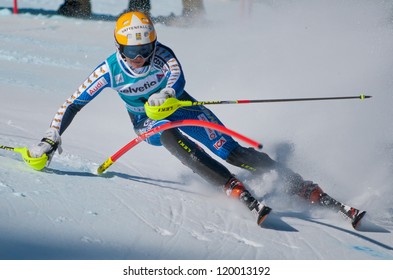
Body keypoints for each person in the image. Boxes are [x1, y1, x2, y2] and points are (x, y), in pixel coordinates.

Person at [29, 11, 365, 227]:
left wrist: (168, 95)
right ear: (120, 49)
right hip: (148, 122)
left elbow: (177, 78)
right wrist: (50, 138)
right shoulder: (108, 72)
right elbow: (73, 103)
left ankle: (302, 186)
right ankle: (229, 185)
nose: (140, 58)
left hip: (182, 106)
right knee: (170, 137)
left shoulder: (163, 55)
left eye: (145, 49)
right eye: (132, 52)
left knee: (233, 152)